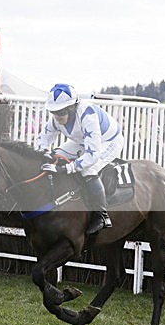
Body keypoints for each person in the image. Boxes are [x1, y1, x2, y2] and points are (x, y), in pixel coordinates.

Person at [35, 84, 124, 234]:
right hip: (82, 141)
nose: (57, 116)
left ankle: (102, 216)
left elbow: (92, 154)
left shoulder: (87, 116)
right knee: (57, 154)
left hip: (109, 141)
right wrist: (44, 152)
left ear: (71, 108)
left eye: (61, 111)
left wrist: (65, 169)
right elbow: (42, 139)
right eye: (54, 112)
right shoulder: (56, 119)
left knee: (88, 168)